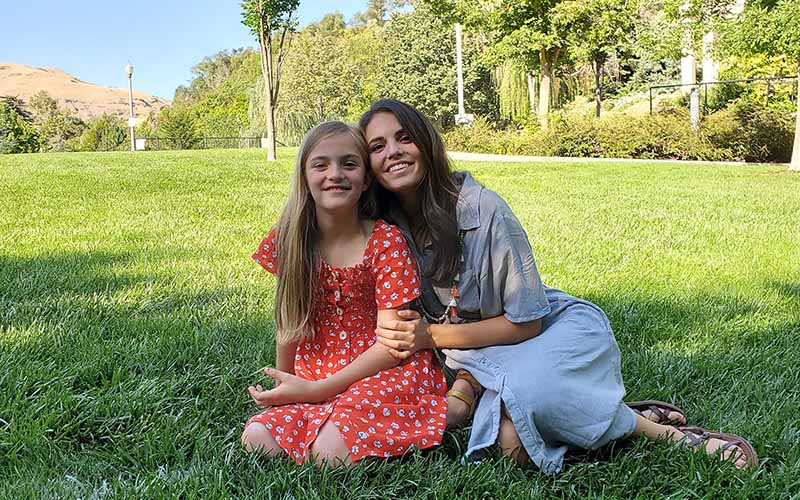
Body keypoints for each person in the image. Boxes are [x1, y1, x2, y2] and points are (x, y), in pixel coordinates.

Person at [358, 99, 757, 473]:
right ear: (369, 165)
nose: (392, 151)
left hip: (541, 332)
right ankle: (589, 410)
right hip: (478, 357)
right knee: (513, 446)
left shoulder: (485, 210)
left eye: (404, 137)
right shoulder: (384, 227)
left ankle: (663, 433)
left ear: (426, 144)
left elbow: (526, 323)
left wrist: (430, 336)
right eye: (378, 146)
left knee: (532, 394)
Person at [241, 121, 448, 466]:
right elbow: (289, 322)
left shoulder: (386, 242)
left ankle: (438, 411)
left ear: (366, 179)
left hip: (382, 371)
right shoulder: (290, 239)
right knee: (258, 439)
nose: (334, 174)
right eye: (320, 165)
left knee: (329, 453)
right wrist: (287, 387)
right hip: (314, 371)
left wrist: (318, 392)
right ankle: (321, 416)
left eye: (349, 164)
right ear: (305, 176)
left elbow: (391, 346)